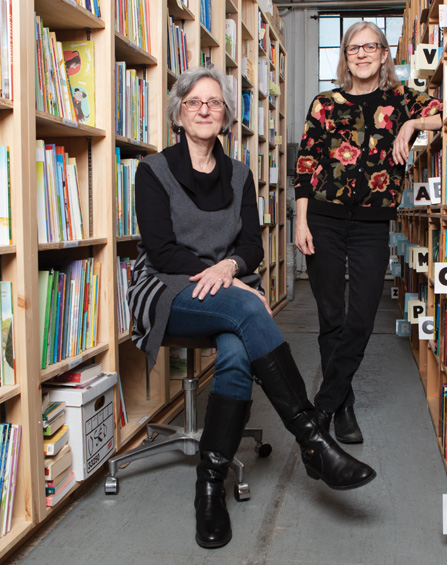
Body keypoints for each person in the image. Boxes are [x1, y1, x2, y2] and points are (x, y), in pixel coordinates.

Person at [128, 66, 376, 551]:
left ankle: (209, 486)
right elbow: (159, 249)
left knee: (239, 352)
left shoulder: (241, 175)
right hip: (166, 288)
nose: (204, 109)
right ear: (179, 113)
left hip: (229, 290)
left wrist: (231, 270)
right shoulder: (152, 171)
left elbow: (252, 246)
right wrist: (227, 278)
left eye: (215, 103)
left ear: (225, 116)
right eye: (194, 101)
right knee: (248, 312)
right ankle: (313, 440)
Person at [294, 21, 442, 444]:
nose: (361, 54)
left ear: (383, 55)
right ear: (346, 56)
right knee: (330, 315)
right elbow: (306, 164)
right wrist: (301, 221)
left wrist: (411, 126)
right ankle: (343, 406)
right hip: (322, 217)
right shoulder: (325, 103)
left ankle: (322, 405)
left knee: (360, 318)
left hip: (373, 223)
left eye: (370, 47)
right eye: (353, 48)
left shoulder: (401, 100)